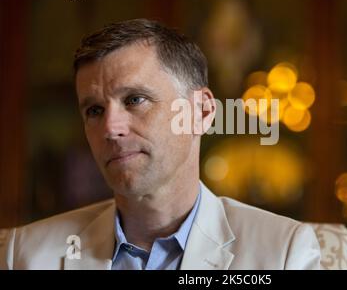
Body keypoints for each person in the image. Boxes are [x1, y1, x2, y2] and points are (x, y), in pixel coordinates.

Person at [0, 19, 321, 270]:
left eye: (135, 99)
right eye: (94, 110)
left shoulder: (283, 253)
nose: (111, 128)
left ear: (202, 111)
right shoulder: (25, 254)